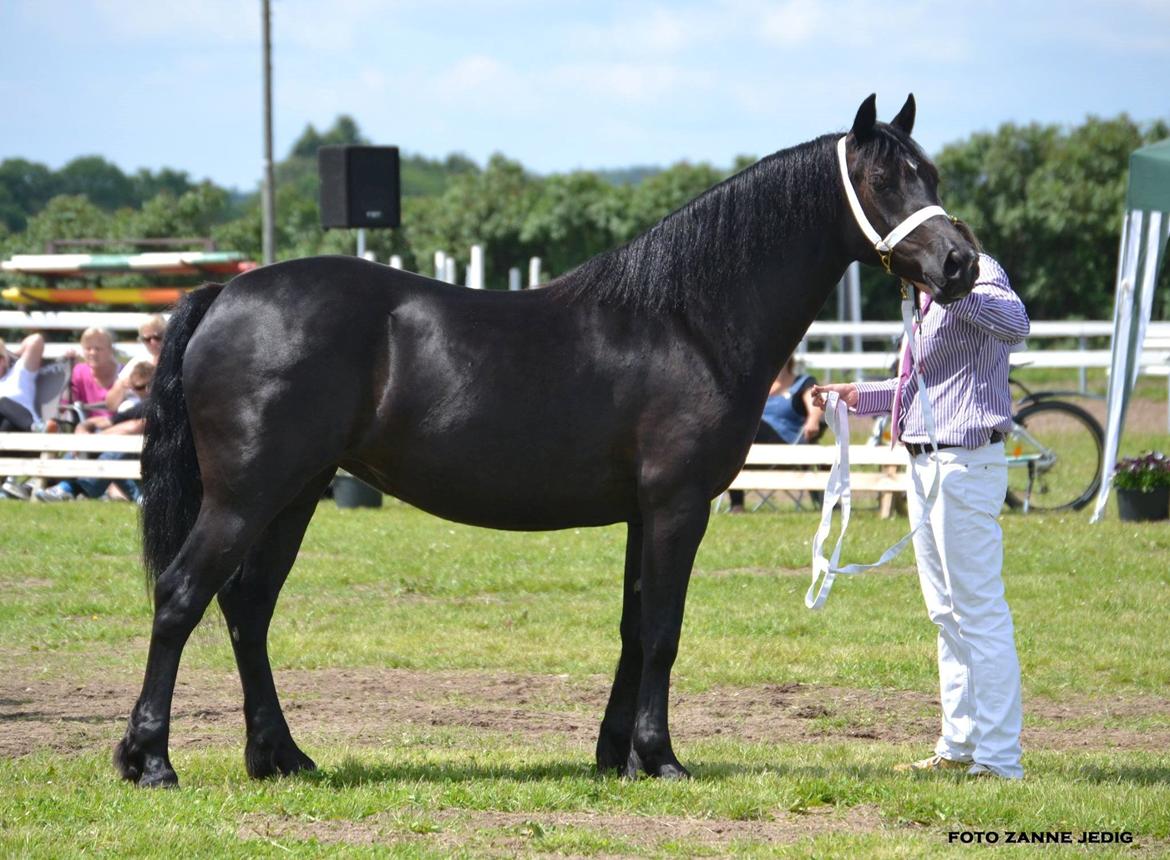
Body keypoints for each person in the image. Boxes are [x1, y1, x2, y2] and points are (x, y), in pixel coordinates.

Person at [811, 253, 1029, 780]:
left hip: (963, 461)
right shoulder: (923, 301)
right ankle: (960, 744)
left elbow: (1016, 324)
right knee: (945, 615)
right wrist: (858, 395)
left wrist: (955, 285)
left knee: (978, 612)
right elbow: (922, 389)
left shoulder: (978, 272)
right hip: (927, 460)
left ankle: (1000, 759)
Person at [36, 360, 153, 503]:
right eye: (136, 387)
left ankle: (68, 488)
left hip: (148, 457)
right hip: (128, 461)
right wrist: (83, 427)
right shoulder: (138, 407)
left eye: (142, 387)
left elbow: (137, 426)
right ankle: (58, 485)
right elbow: (107, 421)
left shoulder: (156, 405)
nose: (142, 391)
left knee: (117, 450)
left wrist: (96, 440)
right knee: (111, 450)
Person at [729, 356, 825, 513]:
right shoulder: (757, 385)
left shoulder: (802, 383)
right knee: (734, 433)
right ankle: (737, 504)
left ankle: (736, 504)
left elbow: (815, 405)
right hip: (751, 448)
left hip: (786, 443)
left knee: (747, 425)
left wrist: (813, 420)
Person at [0, 334, 48, 500]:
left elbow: (36, 340)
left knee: (3, 403)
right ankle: (35, 426)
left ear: (5, 359)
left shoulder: (19, 373)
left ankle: (34, 428)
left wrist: (11, 352)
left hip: (28, 439)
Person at [105, 314, 166, 412]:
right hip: (131, 415)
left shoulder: (174, 361)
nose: (153, 342)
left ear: (167, 335)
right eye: (147, 339)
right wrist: (123, 385)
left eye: (157, 337)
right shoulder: (138, 361)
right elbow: (111, 405)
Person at [68, 327, 121, 426]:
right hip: (89, 426)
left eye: (98, 349)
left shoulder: (124, 372)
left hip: (120, 424)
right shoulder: (79, 371)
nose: (92, 353)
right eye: (88, 349)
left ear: (110, 350)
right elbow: (66, 405)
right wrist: (67, 369)